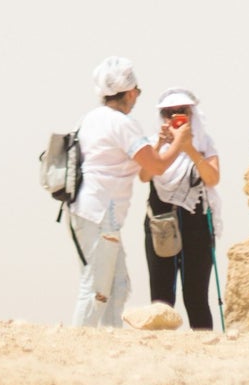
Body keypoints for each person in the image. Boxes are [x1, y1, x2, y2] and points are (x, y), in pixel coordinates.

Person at [69, 57, 187, 328]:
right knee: (96, 289)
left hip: (91, 212)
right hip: (100, 214)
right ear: (131, 91)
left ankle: (110, 344)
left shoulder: (90, 119)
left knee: (117, 286)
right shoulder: (123, 123)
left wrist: (160, 144)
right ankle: (74, 350)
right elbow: (155, 168)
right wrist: (180, 143)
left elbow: (144, 169)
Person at [142, 87, 223, 331]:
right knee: (161, 299)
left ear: (191, 114)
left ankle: (205, 353)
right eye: (169, 113)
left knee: (196, 297)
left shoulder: (205, 144)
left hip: (196, 225)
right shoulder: (151, 144)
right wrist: (162, 144)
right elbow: (145, 174)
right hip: (160, 226)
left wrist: (187, 148)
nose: (176, 117)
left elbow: (212, 178)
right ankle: (160, 354)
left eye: (182, 112)